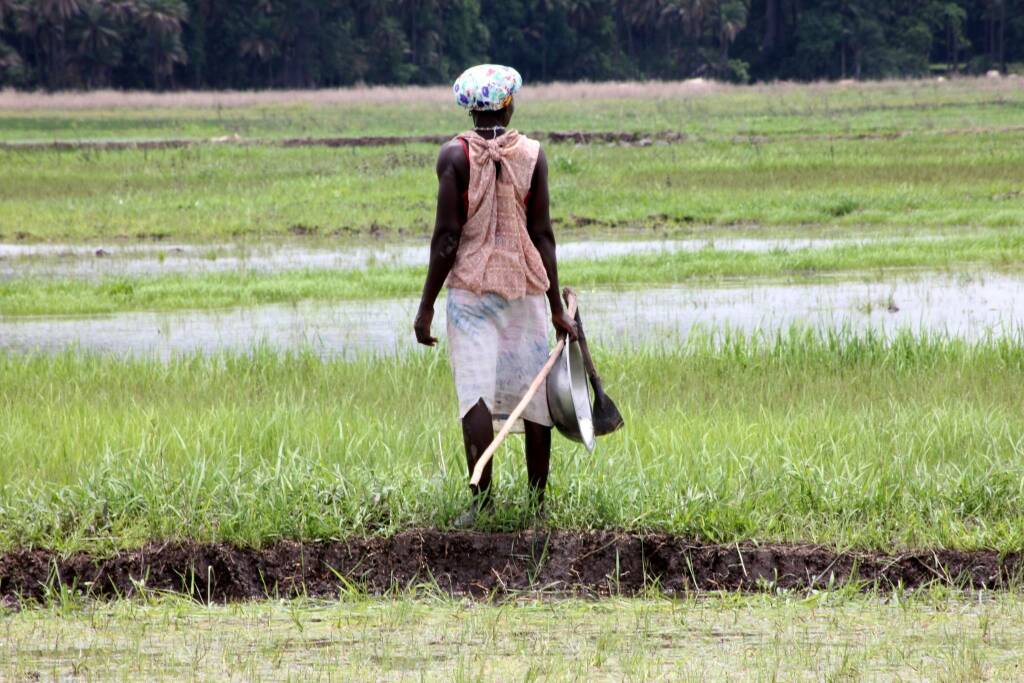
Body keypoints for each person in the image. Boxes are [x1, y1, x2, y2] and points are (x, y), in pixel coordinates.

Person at [414, 64, 577, 526]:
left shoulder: (453, 157)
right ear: (509, 104)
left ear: (469, 108)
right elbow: (542, 234)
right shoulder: (533, 154)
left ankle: (481, 505)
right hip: (525, 289)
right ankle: (537, 508)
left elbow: (447, 237)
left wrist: (426, 306)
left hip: (470, 293)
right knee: (534, 393)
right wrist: (556, 308)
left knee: (475, 395)